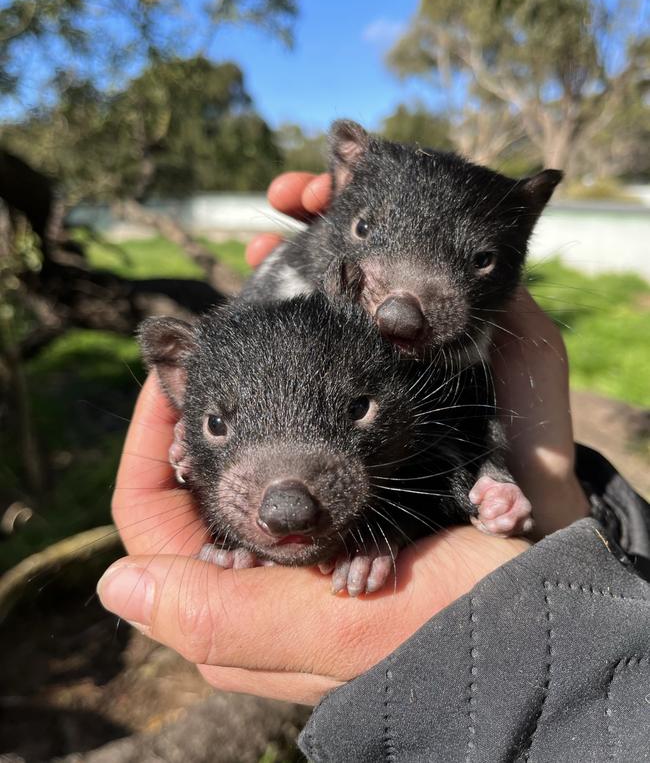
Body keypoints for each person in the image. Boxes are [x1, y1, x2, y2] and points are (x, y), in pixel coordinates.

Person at [98, 172, 650, 762]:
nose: (287, 502)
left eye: (356, 409)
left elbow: (444, 458)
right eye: (214, 425)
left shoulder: (436, 401)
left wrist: (524, 529)